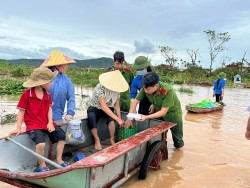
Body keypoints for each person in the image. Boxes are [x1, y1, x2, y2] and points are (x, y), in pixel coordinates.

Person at [9, 67, 68, 172]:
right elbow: (21, 111)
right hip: (34, 125)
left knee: (61, 136)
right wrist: (18, 127)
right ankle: (42, 164)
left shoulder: (47, 94)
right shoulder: (27, 95)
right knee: (41, 144)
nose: (51, 83)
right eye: (49, 81)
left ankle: (59, 159)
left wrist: (50, 122)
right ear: (41, 83)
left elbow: (49, 109)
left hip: (46, 123)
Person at [124, 72, 184, 149]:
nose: (145, 91)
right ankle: (162, 148)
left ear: (156, 85)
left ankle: (178, 155)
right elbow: (135, 101)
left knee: (178, 141)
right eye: (144, 88)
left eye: (148, 89)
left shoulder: (168, 91)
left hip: (173, 114)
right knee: (158, 134)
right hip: (158, 111)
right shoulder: (146, 87)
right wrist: (129, 118)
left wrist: (146, 117)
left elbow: (163, 112)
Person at [87, 70, 129, 150]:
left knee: (111, 120)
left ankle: (112, 139)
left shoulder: (117, 91)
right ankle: (97, 139)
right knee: (91, 117)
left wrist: (119, 119)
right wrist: (118, 119)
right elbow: (103, 107)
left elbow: (117, 106)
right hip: (95, 106)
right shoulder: (100, 87)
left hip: (108, 106)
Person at [41, 50, 76, 121]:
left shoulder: (67, 80)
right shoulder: (43, 78)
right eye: (65, 64)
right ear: (56, 65)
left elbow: (71, 98)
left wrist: (70, 112)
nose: (67, 67)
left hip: (57, 116)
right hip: (41, 115)